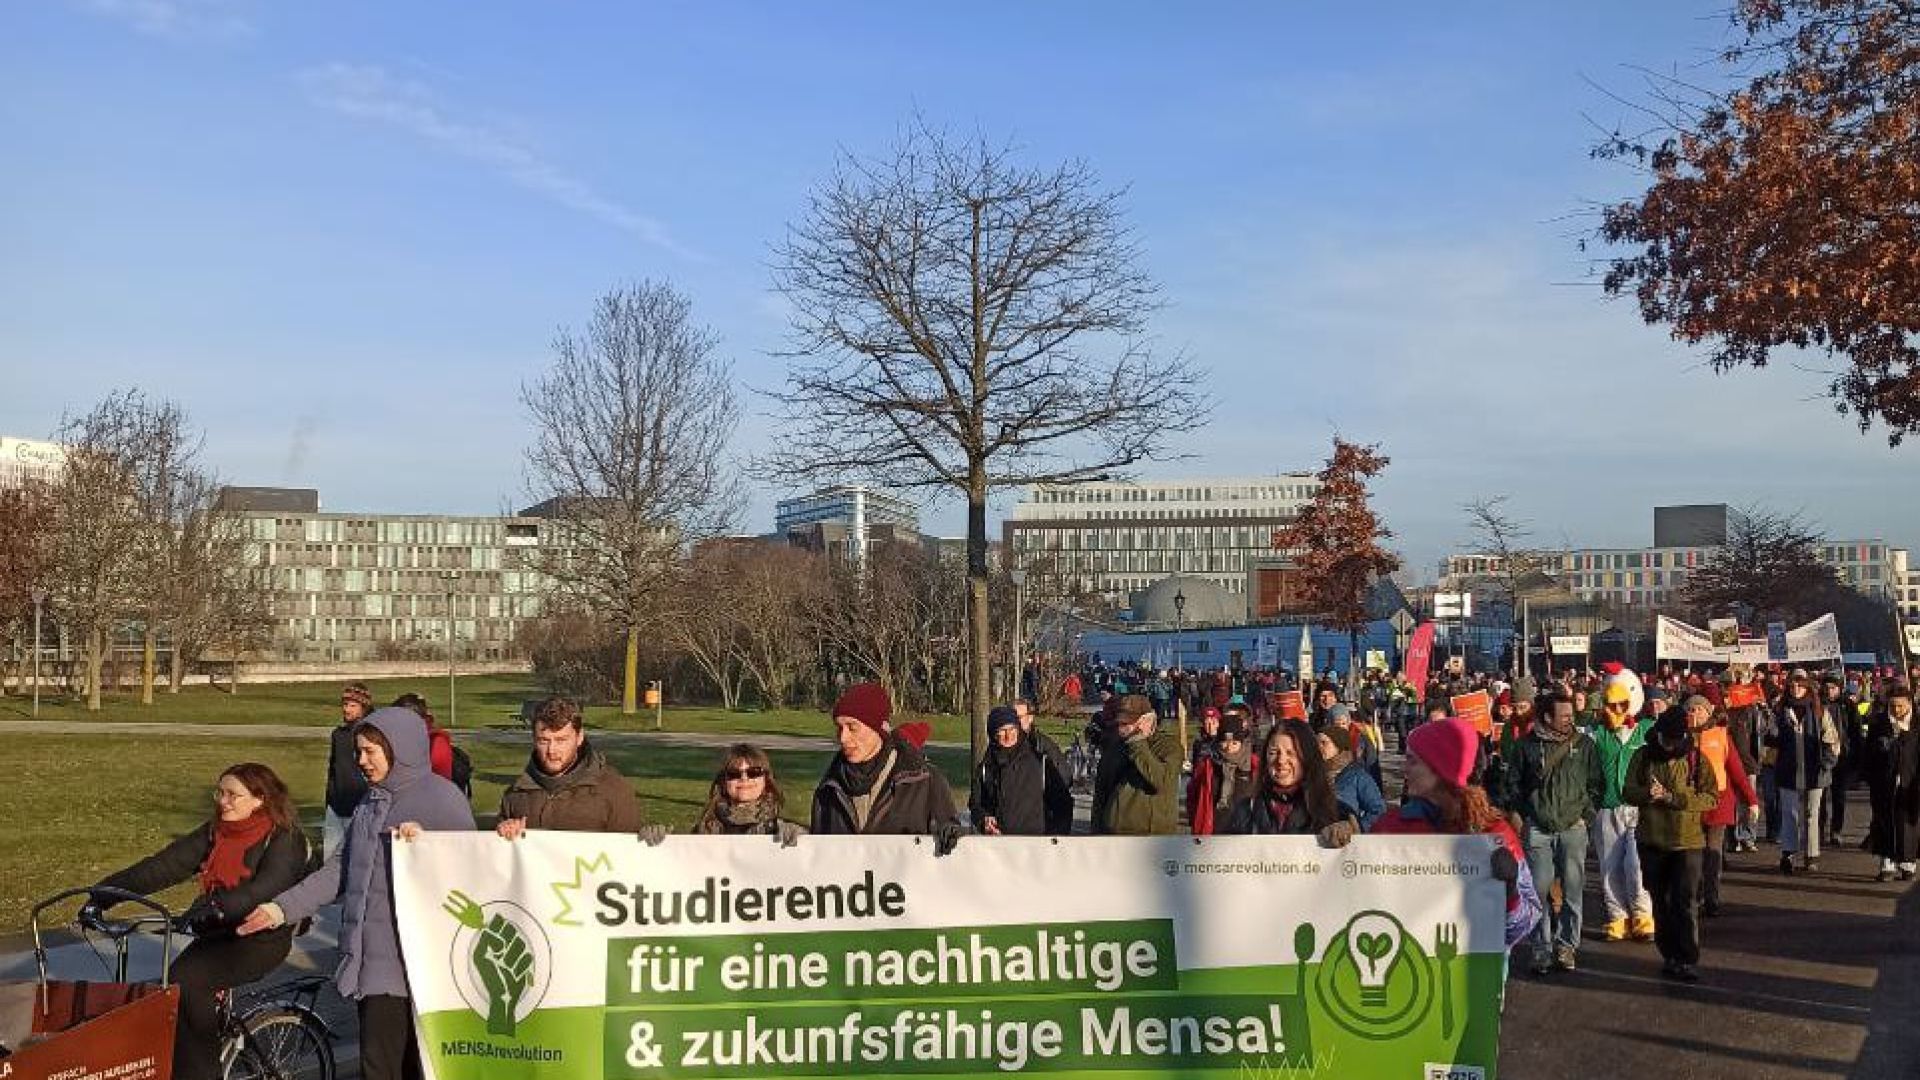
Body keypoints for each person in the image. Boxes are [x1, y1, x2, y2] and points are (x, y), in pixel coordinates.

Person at [239, 707, 475, 1080]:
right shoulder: (370, 803)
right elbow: (339, 871)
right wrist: (280, 909)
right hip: (375, 964)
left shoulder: (441, 800)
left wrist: (431, 848)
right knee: (378, 1066)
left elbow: (472, 873)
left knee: (417, 1068)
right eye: (358, 752)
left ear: (401, 750)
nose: (361, 761)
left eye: (370, 752)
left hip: (420, 967)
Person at [85, 764, 310, 1080]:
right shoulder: (217, 831)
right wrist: (103, 894)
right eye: (220, 793)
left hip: (260, 939)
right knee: (170, 995)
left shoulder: (284, 839)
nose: (223, 801)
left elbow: (266, 887)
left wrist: (215, 908)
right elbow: (166, 865)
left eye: (233, 795)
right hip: (219, 932)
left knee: (187, 981)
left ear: (259, 799)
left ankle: (204, 1073)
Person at [1374, 718, 1543, 952]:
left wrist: (1510, 893)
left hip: (1469, 976)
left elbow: (1524, 926)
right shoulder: (1390, 826)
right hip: (1405, 965)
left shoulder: (1493, 833)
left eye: (1412, 761)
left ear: (1440, 769)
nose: (1404, 769)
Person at [1500, 691, 1603, 975]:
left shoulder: (1584, 746)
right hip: (1538, 830)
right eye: (1565, 716)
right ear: (1547, 717)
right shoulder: (1525, 747)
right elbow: (1512, 785)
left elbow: (1596, 783)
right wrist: (1522, 818)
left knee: (1572, 891)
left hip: (1573, 829)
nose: (1571, 719)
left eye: (1572, 715)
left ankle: (1567, 946)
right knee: (1538, 892)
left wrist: (1586, 816)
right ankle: (1541, 949)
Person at [1624, 710, 1722, 983]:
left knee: (1685, 902)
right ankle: (1669, 956)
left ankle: (1688, 958)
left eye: (1674, 740)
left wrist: (1674, 798)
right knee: (1660, 901)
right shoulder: (1643, 757)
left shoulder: (1695, 759)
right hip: (1652, 841)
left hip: (1686, 842)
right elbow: (1627, 791)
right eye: (1665, 739)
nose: (1669, 745)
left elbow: (1711, 797)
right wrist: (1647, 794)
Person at [811, 683, 964, 848]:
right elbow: (818, 854)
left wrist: (951, 832)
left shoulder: (924, 782)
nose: (843, 738)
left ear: (878, 729)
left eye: (852, 728)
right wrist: (795, 836)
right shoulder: (828, 789)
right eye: (839, 728)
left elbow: (954, 847)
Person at [495, 697, 646, 839]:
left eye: (561, 740)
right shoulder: (516, 794)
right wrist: (503, 831)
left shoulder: (613, 790)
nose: (552, 750)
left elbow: (629, 854)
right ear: (534, 739)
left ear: (579, 737)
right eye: (544, 741)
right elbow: (498, 859)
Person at [1221, 720, 1356, 846]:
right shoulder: (1246, 810)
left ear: (1307, 758)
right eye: (1274, 752)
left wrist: (1346, 834)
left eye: (1291, 753)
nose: (1281, 760)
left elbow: (1359, 855)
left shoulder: (1336, 811)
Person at [1590, 680, 1655, 942]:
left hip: (1638, 808)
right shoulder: (1599, 734)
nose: (1616, 709)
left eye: (1622, 704)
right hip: (1607, 807)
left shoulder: (1646, 730)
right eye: (1612, 704)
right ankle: (1618, 917)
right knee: (1609, 866)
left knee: (1635, 865)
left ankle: (1642, 914)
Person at [1687, 696, 1758, 917]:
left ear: (1708, 713)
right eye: (1691, 710)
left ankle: (1711, 899)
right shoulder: (1682, 738)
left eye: (1699, 710)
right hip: (1690, 805)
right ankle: (1694, 898)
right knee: (1693, 856)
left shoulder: (1721, 736)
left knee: (1713, 854)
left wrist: (1752, 800)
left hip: (1718, 803)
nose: (1695, 714)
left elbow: (1737, 771)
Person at [1770, 672, 1840, 874]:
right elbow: (1769, 739)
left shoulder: (1819, 711)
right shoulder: (1780, 710)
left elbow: (1832, 739)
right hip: (1787, 770)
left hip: (1815, 770)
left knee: (1812, 814)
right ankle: (1789, 852)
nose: (1796, 688)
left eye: (1800, 684)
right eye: (1792, 684)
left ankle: (1811, 854)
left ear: (1807, 687)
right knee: (1789, 813)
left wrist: (1827, 763)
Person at [1091, 694, 1182, 836]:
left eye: (1128, 723)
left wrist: (1137, 744)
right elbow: (1101, 793)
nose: (1122, 728)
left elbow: (1161, 782)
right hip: (1113, 831)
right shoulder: (1114, 747)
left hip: (1152, 834)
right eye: (1120, 723)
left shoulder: (1169, 747)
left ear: (1148, 720)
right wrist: (1095, 833)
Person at [694, 743, 805, 844]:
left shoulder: (784, 827)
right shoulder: (705, 829)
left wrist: (802, 838)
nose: (744, 778)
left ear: (766, 779)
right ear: (723, 782)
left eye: (754, 772)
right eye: (734, 774)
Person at [972, 707, 1057, 836]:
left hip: (1037, 844)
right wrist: (983, 820)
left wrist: (1055, 840)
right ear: (993, 734)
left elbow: (1062, 804)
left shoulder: (1039, 760)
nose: (1008, 735)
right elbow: (975, 804)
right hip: (998, 844)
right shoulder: (986, 766)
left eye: (1012, 729)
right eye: (1002, 730)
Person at [1863, 684, 1918, 881]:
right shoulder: (1879, 724)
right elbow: (1868, 753)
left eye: (1901, 706)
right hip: (1884, 782)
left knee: (1908, 822)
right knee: (1884, 820)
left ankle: (1908, 862)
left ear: (1909, 705)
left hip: (1910, 783)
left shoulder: (1917, 724)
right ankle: (1887, 861)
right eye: (1893, 706)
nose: (1897, 710)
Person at [322, 682, 374, 861]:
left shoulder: (371, 734)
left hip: (361, 804)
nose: (347, 709)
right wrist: (329, 798)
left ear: (364, 707)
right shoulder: (339, 734)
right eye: (345, 704)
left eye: (353, 705)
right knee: (330, 858)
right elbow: (333, 767)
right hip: (336, 807)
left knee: (357, 858)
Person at [1189, 714, 1259, 835]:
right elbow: (1192, 793)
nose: (1229, 748)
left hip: (1246, 833)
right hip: (1213, 830)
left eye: (1234, 743)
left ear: (1242, 743)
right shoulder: (1207, 765)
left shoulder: (1254, 764)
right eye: (1225, 742)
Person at [1014, 697, 1076, 834]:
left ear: (1030, 718)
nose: (1014, 723)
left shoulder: (1044, 747)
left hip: (1040, 824)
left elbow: (1064, 779)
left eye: (1018, 717)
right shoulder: (1001, 748)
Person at [1318, 724, 1384, 830]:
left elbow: (1378, 810)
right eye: (1316, 743)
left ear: (1338, 746)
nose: (1318, 747)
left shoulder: (1357, 775)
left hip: (1347, 841)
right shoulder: (1312, 773)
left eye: (1324, 743)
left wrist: (1357, 828)